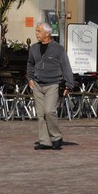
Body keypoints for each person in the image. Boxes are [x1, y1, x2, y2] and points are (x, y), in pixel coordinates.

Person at [27, 22, 74, 150]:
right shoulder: (34, 48)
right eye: (36, 31)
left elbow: (66, 67)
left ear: (47, 33)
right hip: (37, 84)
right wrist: (30, 78)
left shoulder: (58, 49)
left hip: (53, 84)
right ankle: (44, 141)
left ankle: (56, 137)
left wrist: (69, 85)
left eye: (39, 31)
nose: (36, 33)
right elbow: (30, 64)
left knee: (49, 111)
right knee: (41, 114)